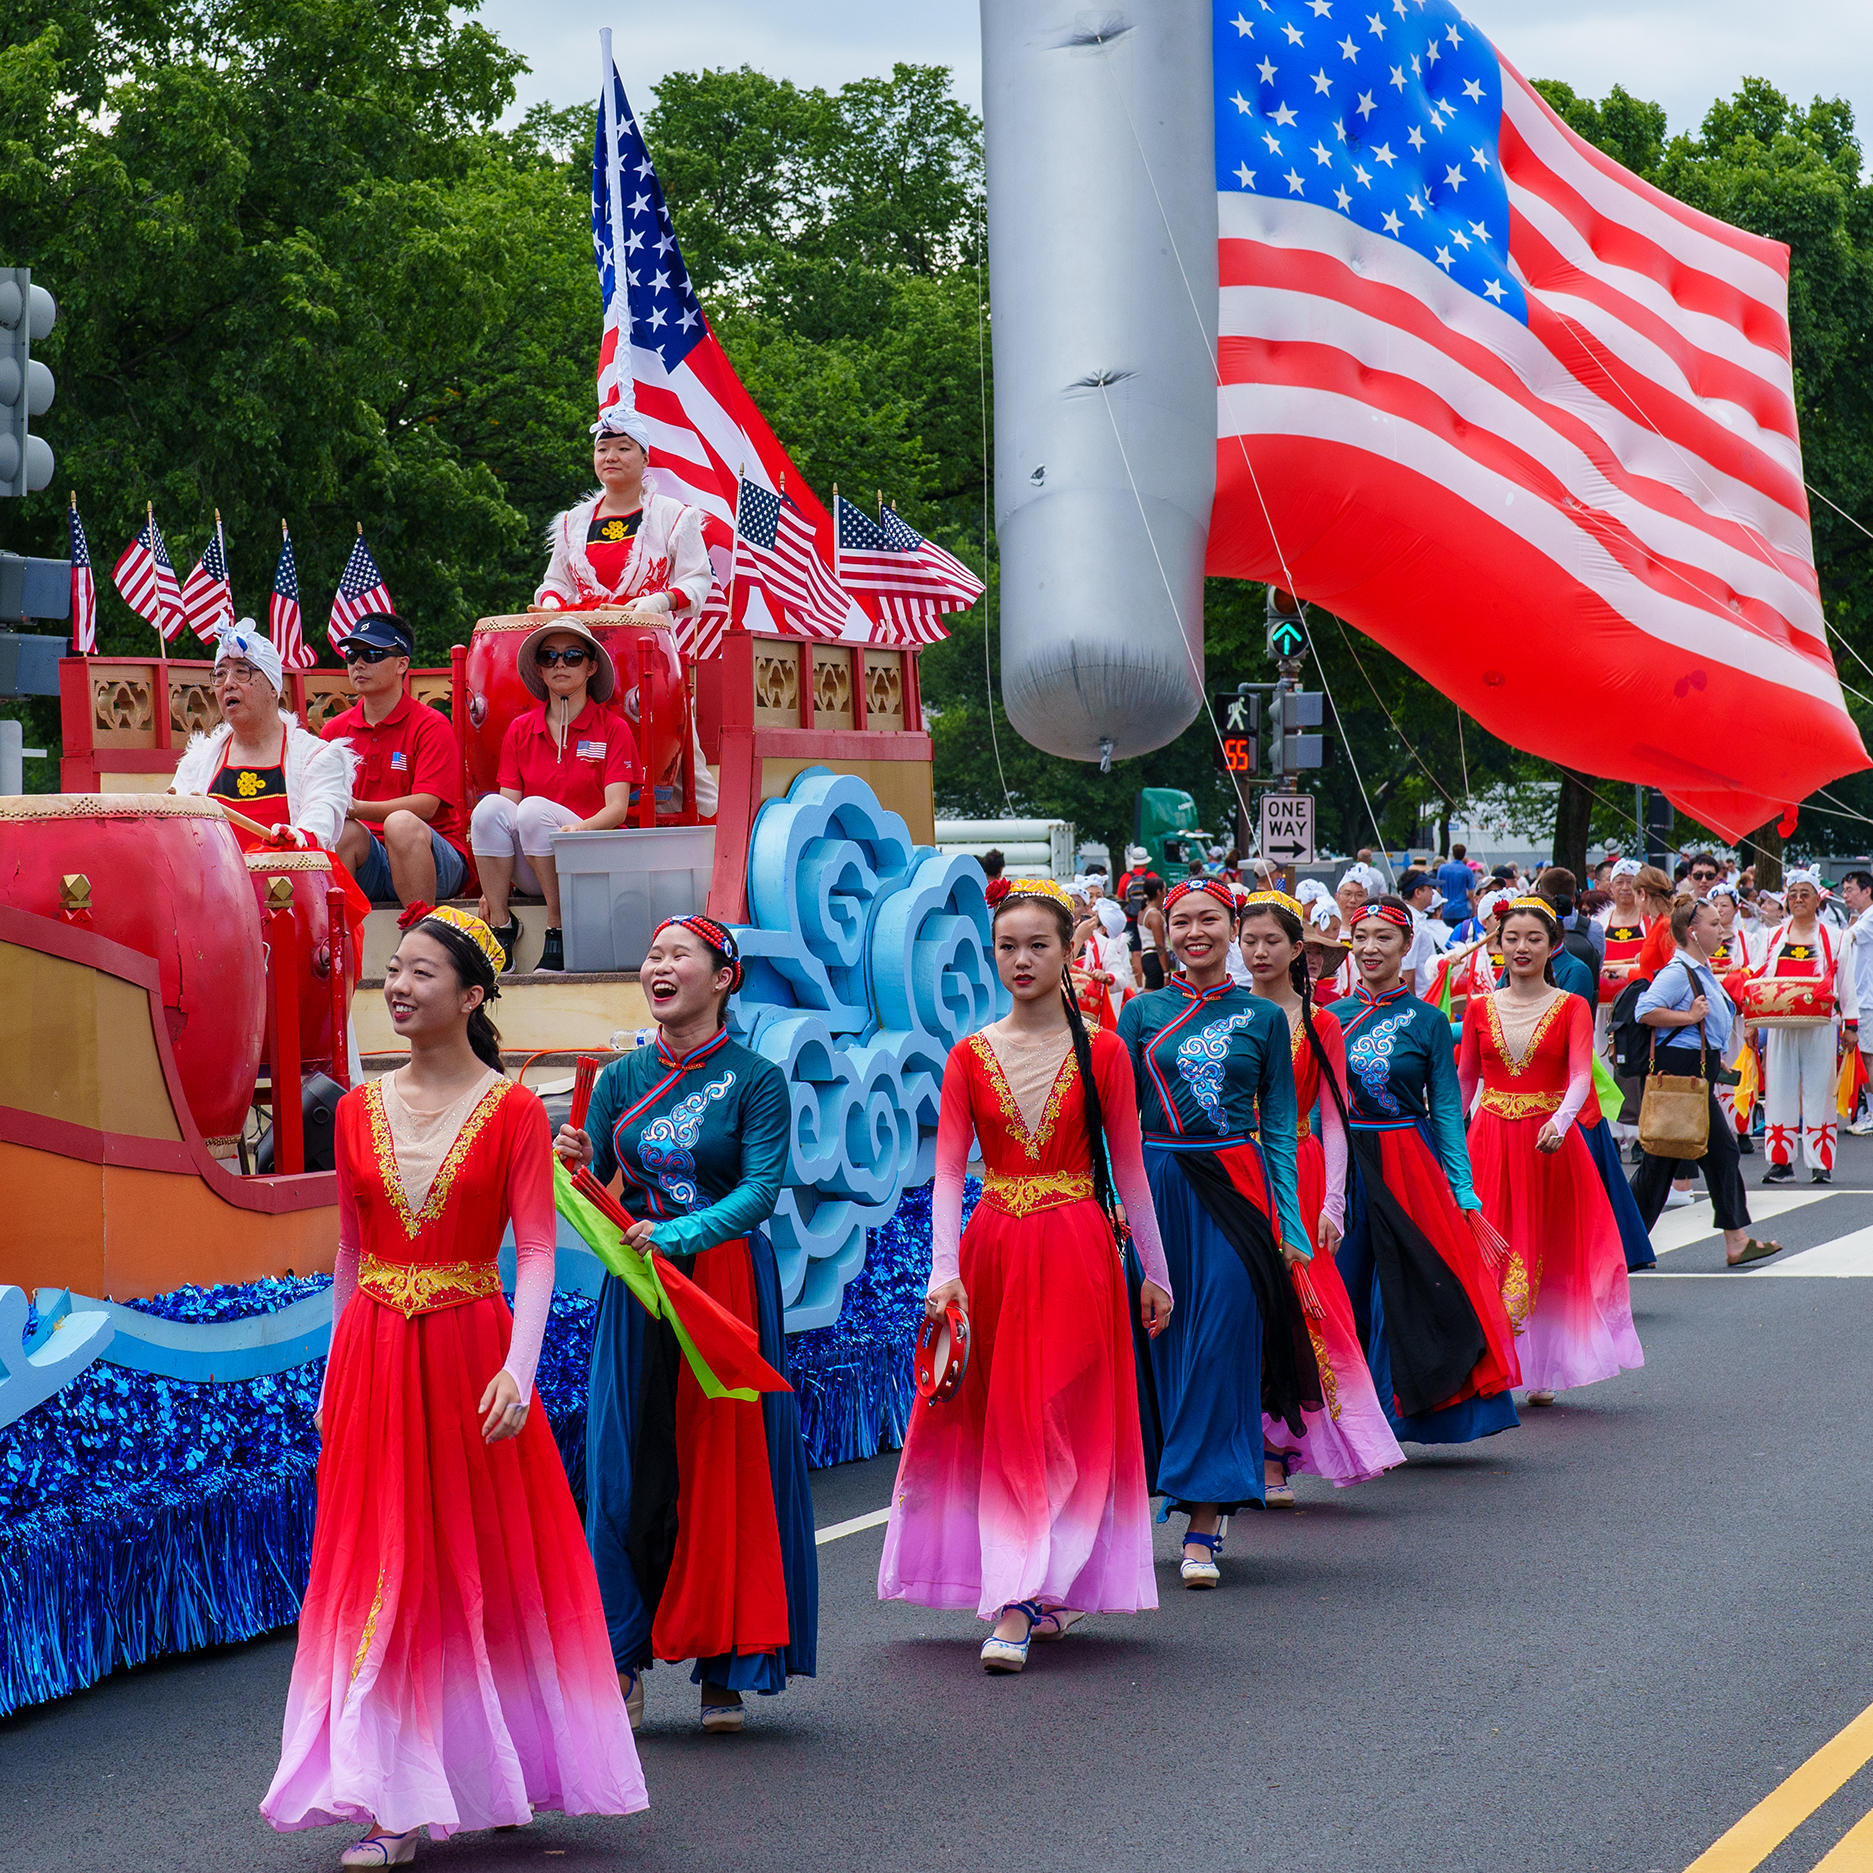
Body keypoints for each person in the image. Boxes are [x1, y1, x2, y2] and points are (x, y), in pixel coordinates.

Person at [262, 904, 644, 1861]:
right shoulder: (353, 1109)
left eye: (422, 972)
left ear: (471, 996)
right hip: (376, 1356)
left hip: (474, 1361)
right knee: (384, 1570)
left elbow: (541, 1247)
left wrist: (521, 1368)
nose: (397, 985)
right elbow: (350, 1252)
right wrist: (332, 1372)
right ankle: (391, 1799)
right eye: (394, 969)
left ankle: (489, 1768)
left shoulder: (514, 1108)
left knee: (480, 1570)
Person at [878, 881, 1173, 1670]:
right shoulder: (967, 1055)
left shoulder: (1105, 1051)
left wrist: (1156, 1271)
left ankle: (1052, 1577)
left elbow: (1132, 1173)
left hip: (1079, 1245)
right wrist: (943, 1272)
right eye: (1006, 945)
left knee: (1063, 1411)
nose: (1020, 959)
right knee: (1007, 1416)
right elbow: (945, 1173)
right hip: (995, 1249)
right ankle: (1014, 1594)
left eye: (1037, 944)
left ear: (1069, 951)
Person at [554, 915, 816, 1734]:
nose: (658, 966)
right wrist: (572, 1161)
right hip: (637, 1287)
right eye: (652, 952)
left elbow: (760, 1190)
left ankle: (725, 1665)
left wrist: (676, 1234)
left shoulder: (756, 1078)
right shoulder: (620, 1077)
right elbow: (597, 1187)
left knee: (722, 1468)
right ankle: (619, 1659)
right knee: (623, 1467)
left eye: (678, 955)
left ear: (723, 977)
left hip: (726, 1280)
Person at [1116, 878, 1316, 1587]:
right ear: (1163, 931)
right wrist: (1114, 1201)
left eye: (1207, 920)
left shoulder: (1262, 1018)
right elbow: (1115, 1121)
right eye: (1180, 922)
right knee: (1161, 1345)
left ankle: (1203, 1521)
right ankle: (1177, 1488)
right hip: (1157, 1188)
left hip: (1234, 1188)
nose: (1194, 932)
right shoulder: (1138, 1013)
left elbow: (1283, 1132)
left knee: (1222, 1345)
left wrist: (1288, 1222)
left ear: (1232, 927)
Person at [1330, 897, 1522, 1445]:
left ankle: (1398, 1415)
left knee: (1407, 1289)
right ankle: (1347, 1417)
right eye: (1361, 936)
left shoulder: (1429, 1021)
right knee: (1345, 1284)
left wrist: (1461, 1190)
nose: (1370, 948)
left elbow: (1445, 1110)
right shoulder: (1326, 1019)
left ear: (1406, 946)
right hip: (1343, 1165)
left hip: (1408, 1162)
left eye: (1383, 938)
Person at [1237, 893, 1404, 1492]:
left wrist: (1333, 1203)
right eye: (1249, 940)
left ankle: (1284, 1446)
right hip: (1232, 1173)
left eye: (1272, 942)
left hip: (1302, 1171)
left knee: (1308, 1305)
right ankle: (1251, 1444)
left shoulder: (1320, 1021)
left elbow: (1335, 1118)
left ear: (1297, 950)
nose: (1259, 952)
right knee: (1243, 1302)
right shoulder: (1219, 1019)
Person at [1458, 900, 1644, 1405]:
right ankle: (1493, 1359)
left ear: (1551, 946)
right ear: (1497, 943)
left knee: (1547, 1245)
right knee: (1487, 1243)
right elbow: (1465, 1080)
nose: (1521, 947)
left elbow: (1582, 1075)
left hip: (1549, 1144)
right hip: (1489, 1141)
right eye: (1511, 937)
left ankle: (1542, 1363)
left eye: (1533, 938)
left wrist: (1561, 1122)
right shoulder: (1478, 1007)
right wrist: (1451, 1137)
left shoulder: (1571, 1006)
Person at [470, 620, 640, 974]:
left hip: (588, 862)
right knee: (487, 809)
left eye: (572, 656)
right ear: (540, 669)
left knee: (532, 810)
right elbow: (505, 810)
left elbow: (617, 809)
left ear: (591, 667)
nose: (560, 664)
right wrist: (491, 886)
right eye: (549, 657)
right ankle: (501, 927)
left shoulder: (613, 728)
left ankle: (559, 928)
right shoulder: (520, 729)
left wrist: (580, 829)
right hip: (537, 860)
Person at [1633, 899, 1782, 1263]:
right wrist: (1688, 1016)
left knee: (1686, 1159)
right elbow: (1644, 1010)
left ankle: (1733, 1239)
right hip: (1679, 1074)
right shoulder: (1677, 971)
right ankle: (1622, 1245)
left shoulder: (1700, 968)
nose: (1722, 930)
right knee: (1673, 1161)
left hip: (1693, 1072)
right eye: (1714, 925)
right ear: (1692, 933)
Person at [322, 613, 471, 907]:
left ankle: (421, 935)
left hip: (432, 856)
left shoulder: (431, 724)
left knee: (401, 824)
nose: (358, 664)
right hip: (370, 856)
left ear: (402, 663)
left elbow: (426, 806)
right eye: (352, 655)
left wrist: (354, 808)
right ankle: (339, 941)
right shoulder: (334, 730)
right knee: (344, 832)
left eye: (373, 654)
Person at [172, 620, 354, 850]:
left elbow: (321, 814)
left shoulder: (317, 757)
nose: (228, 683)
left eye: (241, 672)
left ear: (272, 688)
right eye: (220, 674)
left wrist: (299, 837)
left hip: (287, 880)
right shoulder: (197, 761)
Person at [534, 409, 713, 620]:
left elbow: (697, 578)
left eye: (623, 448)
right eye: (602, 450)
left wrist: (659, 602)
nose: (611, 457)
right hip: (582, 640)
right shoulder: (573, 521)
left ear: (645, 459)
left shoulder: (673, 515)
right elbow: (557, 582)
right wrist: (551, 602)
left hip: (645, 637)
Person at [1747, 869, 1856, 1184]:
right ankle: (1781, 1162)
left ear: (1817, 898)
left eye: (1804, 893)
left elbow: (1846, 983)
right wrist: (1751, 1022)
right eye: (1792, 894)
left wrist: (1850, 1025)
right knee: (1779, 1089)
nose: (1798, 900)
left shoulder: (1836, 938)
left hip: (1821, 1025)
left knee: (1819, 1092)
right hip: (1779, 1026)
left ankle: (1820, 1163)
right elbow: (1756, 979)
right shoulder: (1769, 937)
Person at [1841, 869, 1873, 1134]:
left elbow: (1846, 938)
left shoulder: (1870, 918)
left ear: (1867, 891)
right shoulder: (1863, 918)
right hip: (1863, 997)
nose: (1845, 895)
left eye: (1850, 890)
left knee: (1868, 1058)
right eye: (1844, 890)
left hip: (1868, 999)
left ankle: (1872, 1112)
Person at [1138, 877, 1169, 991]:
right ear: (1158, 892)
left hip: (1146, 956)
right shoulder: (1154, 915)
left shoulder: (1143, 911)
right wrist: (1166, 972)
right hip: (1155, 959)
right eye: (1164, 889)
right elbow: (1160, 945)